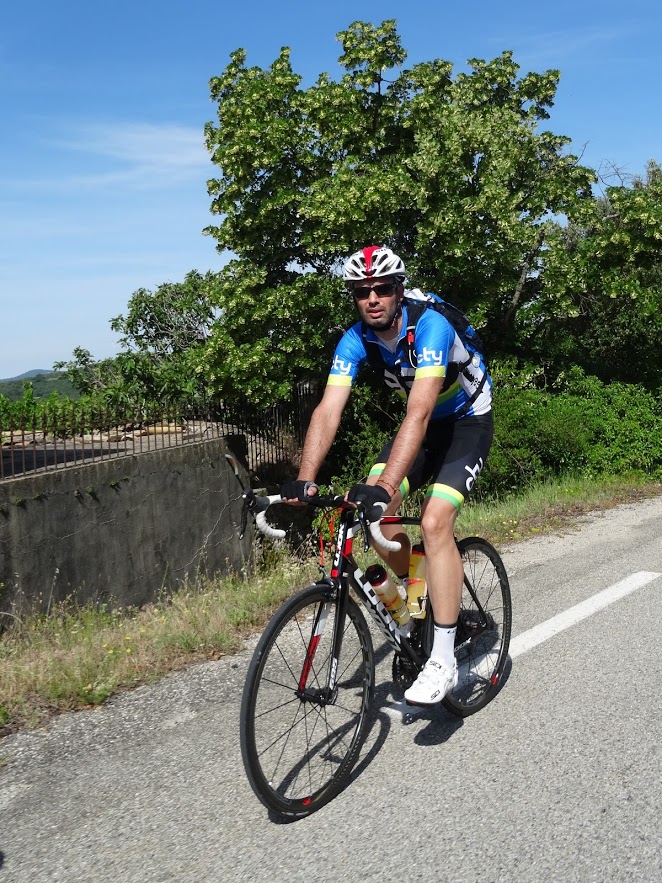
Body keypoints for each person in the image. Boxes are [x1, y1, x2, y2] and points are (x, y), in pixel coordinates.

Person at [281, 245, 493, 706]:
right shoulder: (355, 339)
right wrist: (304, 478)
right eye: (362, 291)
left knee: (435, 523)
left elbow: (417, 414)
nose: (372, 298)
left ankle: (442, 658)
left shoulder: (430, 326)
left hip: (466, 422)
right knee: (374, 518)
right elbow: (328, 408)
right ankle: (422, 591)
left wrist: (383, 486)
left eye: (381, 288)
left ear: (398, 290)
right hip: (421, 427)